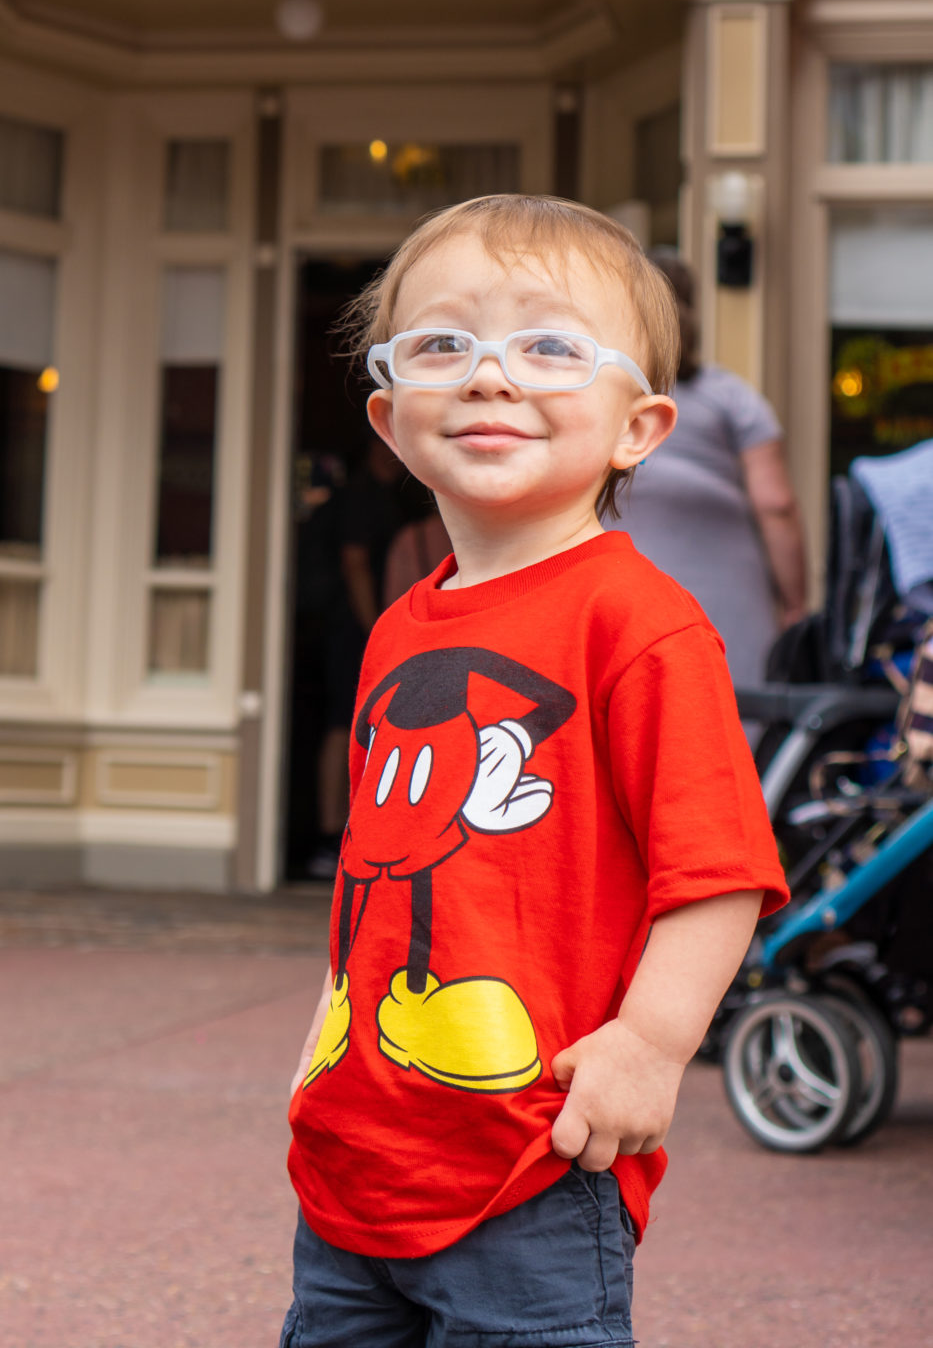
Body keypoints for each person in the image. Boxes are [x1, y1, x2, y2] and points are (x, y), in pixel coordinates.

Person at [282, 195, 785, 1348]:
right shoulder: (399, 630)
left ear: (638, 427)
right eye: (444, 343)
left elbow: (716, 870)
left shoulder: (640, 623)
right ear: (391, 417)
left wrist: (650, 1045)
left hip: (537, 1153)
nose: (491, 375)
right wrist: (322, 1047)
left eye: (550, 344)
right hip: (358, 1147)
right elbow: (374, 871)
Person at [610, 252, 806, 691]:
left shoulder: (597, 394)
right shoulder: (733, 396)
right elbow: (776, 505)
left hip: (615, 598)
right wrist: (795, 604)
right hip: (728, 602)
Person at [306, 435, 407, 879]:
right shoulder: (363, 496)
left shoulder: (393, 497)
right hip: (354, 630)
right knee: (344, 724)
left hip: (367, 628)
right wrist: (375, 632)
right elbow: (355, 563)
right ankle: (333, 837)